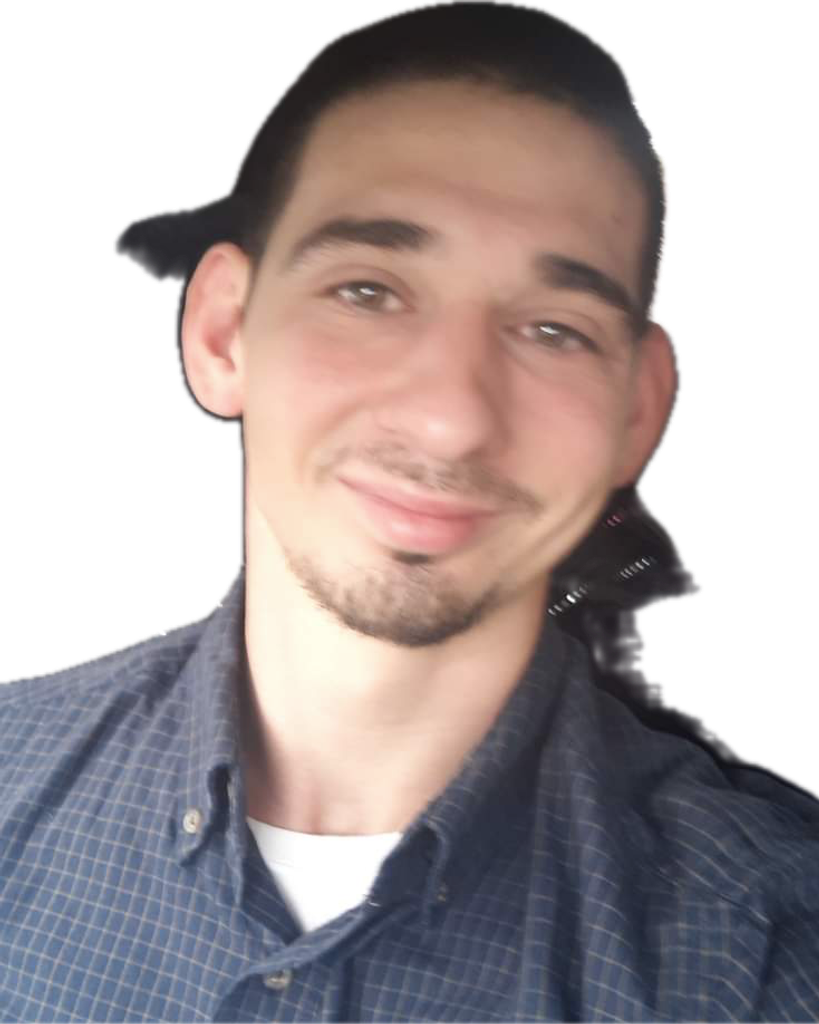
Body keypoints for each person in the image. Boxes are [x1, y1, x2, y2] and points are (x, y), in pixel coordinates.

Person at [3, 2, 817, 1020]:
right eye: (369, 291)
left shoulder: (771, 949)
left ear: (638, 411)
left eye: (554, 330)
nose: (451, 420)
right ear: (223, 333)